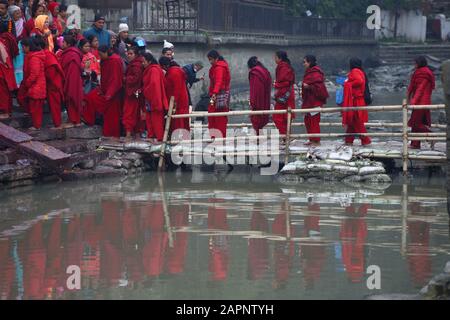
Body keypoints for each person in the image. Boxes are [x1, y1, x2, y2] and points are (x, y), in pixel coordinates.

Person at [83, 45, 123, 138]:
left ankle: (112, 135)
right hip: (105, 89)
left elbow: (116, 79)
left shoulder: (114, 60)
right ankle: (89, 120)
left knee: (112, 116)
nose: (100, 57)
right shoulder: (105, 61)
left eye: (101, 55)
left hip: (113, 93)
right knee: (89, 97)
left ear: (106, 52)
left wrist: (109, 94)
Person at [407, 56, 436, 149]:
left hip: (420, 102)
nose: (414, 65)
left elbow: (420, 89)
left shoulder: (422, 73)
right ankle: (415, 144)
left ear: (419, 63)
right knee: (416, 123)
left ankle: (431, 135)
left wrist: (412, 102)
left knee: (415, 123)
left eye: (415, 63)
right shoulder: (425, 72)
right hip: (423, 101)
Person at [18, 37, 46, 130]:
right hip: (37, 86)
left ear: (28, 47)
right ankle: (36, 125)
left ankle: (36, 126)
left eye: (23, 47)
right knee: (35, 108)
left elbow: (34, 74)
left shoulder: (34, 58)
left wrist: (27, 83)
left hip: (36, 87)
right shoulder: (33, 56)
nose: (22, 49)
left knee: (36, 109)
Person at [342, 58, 371, 146]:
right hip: (359, 99)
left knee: (356, 120)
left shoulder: (354, 71)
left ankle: (366, 140)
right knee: (352, 121)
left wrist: (347, 83)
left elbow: (359, 81)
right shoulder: (360, 71)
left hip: (355, 100)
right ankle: (348, 140)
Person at [35, 35, 62, 128]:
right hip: (51, 83)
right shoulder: (45, 54)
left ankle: (57, 125)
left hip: (53, 84)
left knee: (55, 105)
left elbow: (51, 72)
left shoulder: (47, 55)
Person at [301, 55, 329, 146]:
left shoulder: (316, 72)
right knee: (307, 120)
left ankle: (316, 140)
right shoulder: (309, 72)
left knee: (314, 121)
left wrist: (309, 87)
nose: (304, 64)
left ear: (310, 62)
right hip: (308, 101)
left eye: (305, 62)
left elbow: (319, 88)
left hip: (315, 102)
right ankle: (311, 139)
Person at [159, 56, 190, 135]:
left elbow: (177, 88)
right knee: (181, 119)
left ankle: (179, 137)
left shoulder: (174, 72)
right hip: (180, 99)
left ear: (165, 66)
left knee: (178, 120)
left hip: (178, 100)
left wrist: (174, 101)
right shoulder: (175, 70)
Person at [142, 52, 168, 142]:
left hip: (154, 99)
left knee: (156, 121)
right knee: (150, 120)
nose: (143, 63)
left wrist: (145, 91)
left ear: (149, 61)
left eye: (144, 61)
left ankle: (159, 139)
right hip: (151, 98)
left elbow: (154, 85)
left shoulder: (153, 70)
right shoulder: (153, 69)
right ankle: (152, 136)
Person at [60, 35, 83, 126]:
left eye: (63, 42)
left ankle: (74, 120)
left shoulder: (72, 54)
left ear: (68, 44)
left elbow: (72, 71)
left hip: (72, 81)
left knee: (72, 98)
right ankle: (73, 119)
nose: (62, 44)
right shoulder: (68, 53)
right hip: (69, 79)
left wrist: (69, 83)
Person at [207, 49, 231, 139]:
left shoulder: (219, 68)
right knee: (217, 116)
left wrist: (214, 94)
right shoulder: (220, 66)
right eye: (209, 60)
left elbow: (218, 82)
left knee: (216, 116)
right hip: (220, 94)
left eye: (211, 59)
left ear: (216, 58)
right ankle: (218, 136)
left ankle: (216, 136)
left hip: (218, 94)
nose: (210, 62)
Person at [123, 46, 144, 140]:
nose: (128, 55)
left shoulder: (136, 65)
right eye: (128, 53)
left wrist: (125, 78)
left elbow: (136, 78)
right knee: (136, 114)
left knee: (129, 113)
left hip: (132, 93)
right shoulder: (137, 63)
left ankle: (128, 134)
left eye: (131, 54)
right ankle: (136, 134)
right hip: (136, 93)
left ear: (136, 55)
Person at [273, 50, 295, 137]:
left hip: (284, 95)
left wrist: (276, 84)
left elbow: (286, 82)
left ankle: (285, 137)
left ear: (280, 58)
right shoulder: (286, 66)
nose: (274, 59)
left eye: (275, 57)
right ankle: (287, 136)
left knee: (278, 117)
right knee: (286, 117)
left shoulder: (283, 67)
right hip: (288, 94)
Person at [247, 56, 271, 136]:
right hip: (265, 98)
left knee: (256, 118)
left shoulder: (255, 73)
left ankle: (258, 137)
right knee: (261, 118)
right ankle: (259, 136)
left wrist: (253, 102)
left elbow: (255, 89)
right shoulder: (264, 70)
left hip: (257, 99)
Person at [0, 23, 18, 119]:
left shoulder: (1, 41)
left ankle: (5, 112)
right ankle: (9, 110)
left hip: (2, 68)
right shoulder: (9, 38)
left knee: (2, 91)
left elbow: (3, 56)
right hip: (9, 67)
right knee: (7, 91)